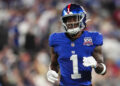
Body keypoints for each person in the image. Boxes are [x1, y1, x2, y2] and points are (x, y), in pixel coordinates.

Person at [47, 3, 107, 86]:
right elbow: (54, 64)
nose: (71, 23)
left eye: (74, 19)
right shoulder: (56, 39)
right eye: (68, 20)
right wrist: (51, 71)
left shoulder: (93, 38)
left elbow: (103, 70)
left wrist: (96, 65)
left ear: (82, 18)